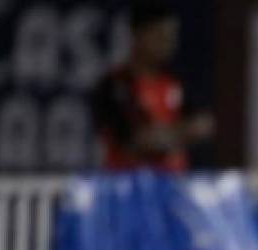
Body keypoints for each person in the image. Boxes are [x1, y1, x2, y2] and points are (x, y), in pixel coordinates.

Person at [90, 1, 215, 172]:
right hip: (127, 189)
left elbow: (203, 125)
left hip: (172, 186)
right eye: (160, 36)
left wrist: (166, 136)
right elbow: (137, 141)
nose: (168, 44)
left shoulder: (175, 82)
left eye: (172, 37)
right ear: (139, 35)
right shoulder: (115, 85)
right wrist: (181, 133)